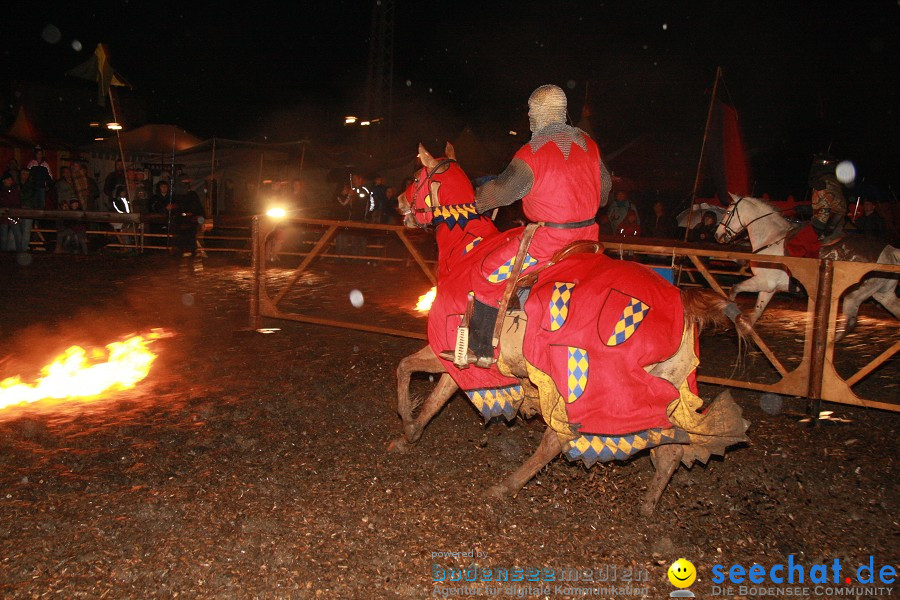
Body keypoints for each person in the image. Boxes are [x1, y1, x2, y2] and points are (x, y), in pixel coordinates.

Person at [448, 83, 611, 365]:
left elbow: (501, 192)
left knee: (486, 273)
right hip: (589, 237)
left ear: (537, 112)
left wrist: (478, 199)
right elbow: (604, 194)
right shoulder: (590, 145)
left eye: (530, 111)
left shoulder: (532, 152)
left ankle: (481, 350)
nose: (528, 116)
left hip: (551, 242)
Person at [0, 171, 24, 252]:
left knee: (18, 235)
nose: (10, 181)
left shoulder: (14, 190)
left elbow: (17, 201)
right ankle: (3, 254)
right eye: (8, 179)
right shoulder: (2, 191)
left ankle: (19, 252)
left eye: (11, 179)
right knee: (3, 237)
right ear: (4, 180)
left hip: (13, 215)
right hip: (4, 216)